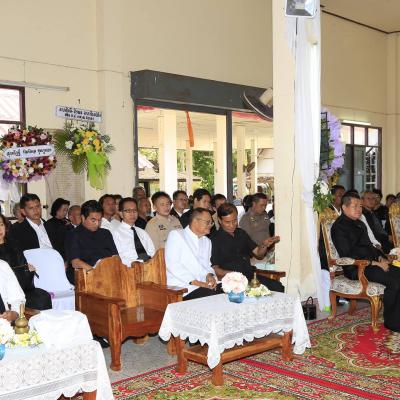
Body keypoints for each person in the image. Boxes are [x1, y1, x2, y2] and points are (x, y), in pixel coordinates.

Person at [331, 191, 400, 332]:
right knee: (395, 282)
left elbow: (370, 246)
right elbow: (348, 255)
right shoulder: (339, 227)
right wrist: (376, 263)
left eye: (360, 206)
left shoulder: (360, 224)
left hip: (373, 263)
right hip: (357, 268)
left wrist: (381, 257)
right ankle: (393, 323)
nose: (359, 209)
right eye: (355, 206)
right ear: (344, 207)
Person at [211, 203, 284, 292]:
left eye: (234, 220)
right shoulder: (215, 239)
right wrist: (236, 275)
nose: (232, 225)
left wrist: (264, 245)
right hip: (231, 281)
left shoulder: (241, 233)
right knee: (254, 292)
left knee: (277, 287)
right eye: (227, 222)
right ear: (220, 220)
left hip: (250, 276)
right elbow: (215, 269)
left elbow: (258, 253)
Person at [165, 208, 219, 301]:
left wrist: (209, 276)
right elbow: (173, 265)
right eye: (207, 222)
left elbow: (207, 265)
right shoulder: (176, 235)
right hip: (182, 288)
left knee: (228, 289)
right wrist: (197, 283)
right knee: (212, 295)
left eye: (211, 223)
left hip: (203, 285)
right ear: (195, 222)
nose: (210, 225)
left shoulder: (207, 241)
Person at [0, 214, 51, 310]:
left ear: (5, 227)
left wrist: (29, 270)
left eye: (1, 224)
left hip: (22, 287)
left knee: (42, 297)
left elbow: (24, 267)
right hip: (3, 292)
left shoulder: (14, 245)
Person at [65, 200, 118, 273]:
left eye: (99, 220)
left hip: (108, 271)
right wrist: (96, 273)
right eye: (93, 220)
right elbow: (76, 262)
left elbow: (115, 256)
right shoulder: (73, 234)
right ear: (83, 218)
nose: (97, 224)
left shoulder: (106, 233)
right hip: (86, 274)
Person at [112, 197, 155, 266]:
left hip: (148, 266)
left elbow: (152, 251)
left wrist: (149, 262)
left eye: (135, 210)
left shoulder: (142, 232)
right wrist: (135, 263)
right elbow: (119, 257)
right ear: (121, 214)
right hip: (129, 268)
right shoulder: (115, 233)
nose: (132, 213)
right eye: (128, 211)